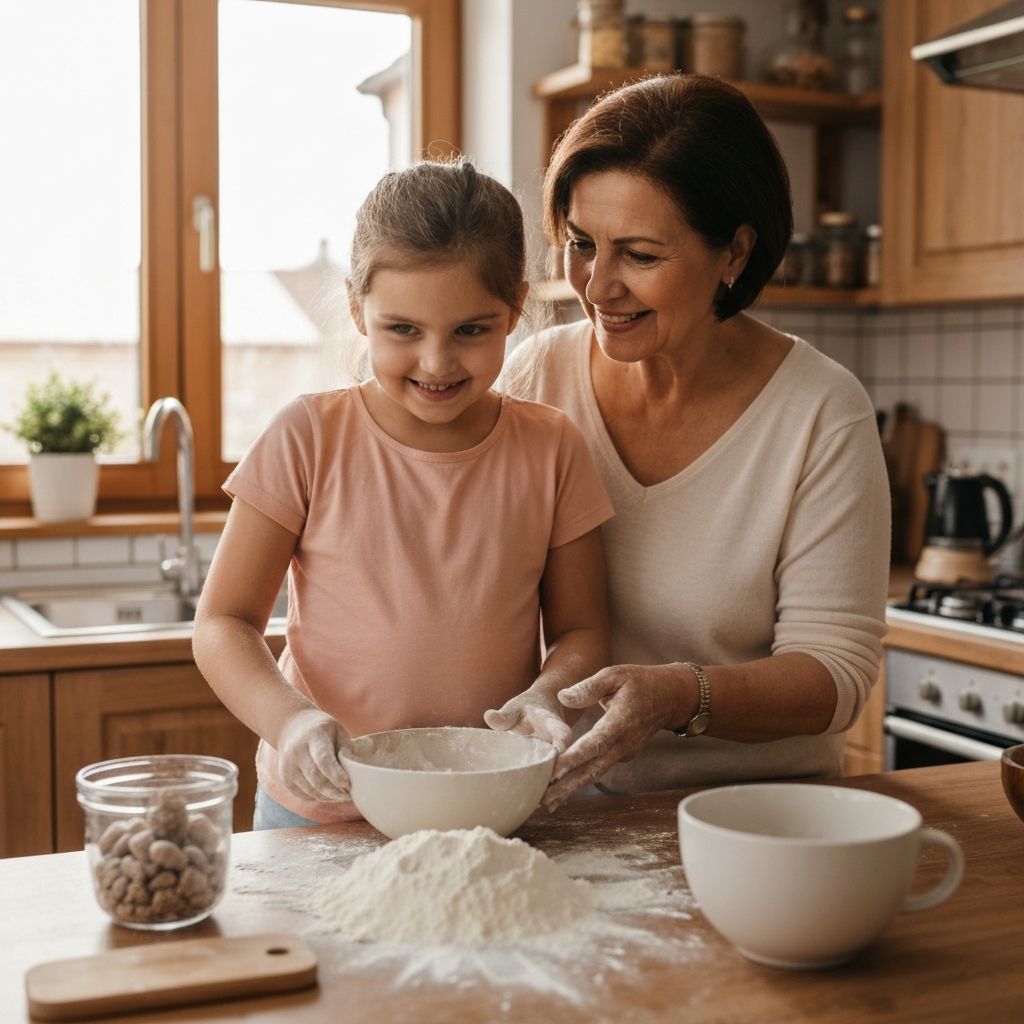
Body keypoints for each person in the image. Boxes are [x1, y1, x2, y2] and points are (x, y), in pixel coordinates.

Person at [488, 74, 890, 811]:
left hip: (762, 820)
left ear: (733, 253)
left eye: (639, 255)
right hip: (569, 808)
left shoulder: (821, 413)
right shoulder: (537, 374)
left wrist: (678, 694)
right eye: (581, 244)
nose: (598, 286)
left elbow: (834, 678)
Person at [193, 160, 614, 829]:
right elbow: (222, 624)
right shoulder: (307, 436)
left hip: (486, 798)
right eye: (403, 330)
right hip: (323, 803)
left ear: (515, 311)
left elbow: (583, 629)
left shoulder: (552, 447)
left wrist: (550, 695)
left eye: (472, 330)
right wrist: (291, 723)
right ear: (359, 311)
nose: (437, 363)